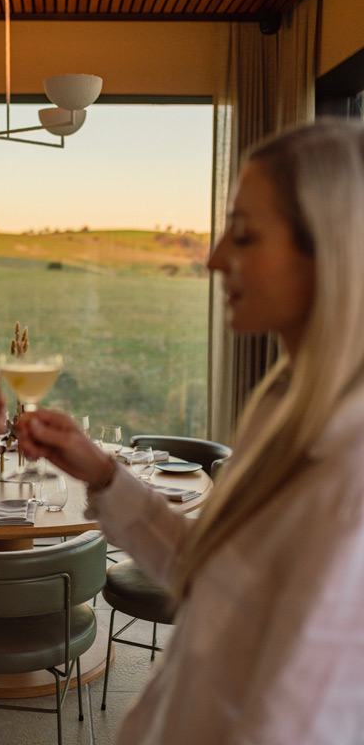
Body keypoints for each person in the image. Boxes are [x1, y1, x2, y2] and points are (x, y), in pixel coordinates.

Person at [18, 119, 364, 743]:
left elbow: (290, 722)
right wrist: (98, 470)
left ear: (333, 252)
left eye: (247, 234)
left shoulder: (350, 473)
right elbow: (204, 574)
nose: (214, 258)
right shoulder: (283, 406)